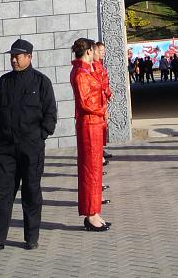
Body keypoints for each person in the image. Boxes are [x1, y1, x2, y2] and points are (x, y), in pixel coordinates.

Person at [0, 38, 57, 255]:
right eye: (12, 56)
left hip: (31, 147)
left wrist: (40, 136)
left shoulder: (41, 82)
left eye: (18, 56)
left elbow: (50, 114)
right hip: (6, 149)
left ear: (29, 57)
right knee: (2, 193)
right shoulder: (5, 81)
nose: (14, 59)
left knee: (31, 192)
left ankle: (31, 237)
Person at [71, 38, 109, 230]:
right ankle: (90, 213)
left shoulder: (87, 71)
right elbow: (86, 103)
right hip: (88, 124)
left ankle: (95, 211)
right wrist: (102, 109)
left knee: (95, 169)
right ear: (87, 52)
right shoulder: (80, 73)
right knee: (89, 171)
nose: (96, 54)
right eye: (94, 51)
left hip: (95, 123)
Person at [93, 41, 113, 165]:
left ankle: (101, 151)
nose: (102, 53)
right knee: (98, 129)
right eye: (100, 51)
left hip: (102, 99)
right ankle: (99, 155)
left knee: (103, 128)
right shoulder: (93, 66)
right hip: (98, 101)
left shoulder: (99, 64)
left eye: (103, 51)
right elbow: (100, 84)